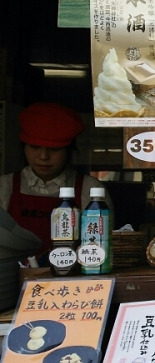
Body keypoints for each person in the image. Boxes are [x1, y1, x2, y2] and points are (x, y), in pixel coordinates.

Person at [0, 102, 113, 259]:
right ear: (23, 147)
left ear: (69, 150)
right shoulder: (4, 186)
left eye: (54, 149)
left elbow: (102, 246)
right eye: (34, 147)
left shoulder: (90, 189)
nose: (43, 157)